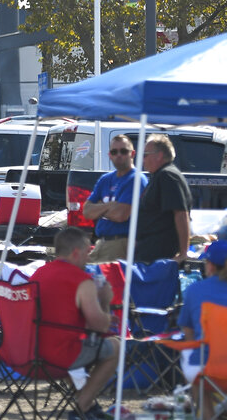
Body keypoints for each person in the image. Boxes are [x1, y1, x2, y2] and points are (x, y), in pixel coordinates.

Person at [29, 226, 120, 420]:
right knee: (116, 347)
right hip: (59, 355)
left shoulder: (39, 274)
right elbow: (101, 326)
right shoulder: (82, 280)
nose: (89, 258)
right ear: (76, 252)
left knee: (75, 343)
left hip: (30, 352)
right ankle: (82, 406)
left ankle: (88, 406)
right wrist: (105, 299)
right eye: (88, 252)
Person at [177, 240, 227, 419]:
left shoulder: (195, 290)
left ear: (211, 265)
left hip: (206, 369)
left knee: (192, 358)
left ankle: (206, 414)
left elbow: (189, 335)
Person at [82, 135, 148, 263]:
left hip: (122, 243)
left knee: (100, 281)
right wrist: (110, 205)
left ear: (132, 154)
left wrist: (99, 208)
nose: (118, 155)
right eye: (114, 152)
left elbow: (120, 215)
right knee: (79, 274)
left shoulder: (136, 179)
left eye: (123, 151)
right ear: (109, 155)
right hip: (101, 242)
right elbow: (86, 211)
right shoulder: (105, 179)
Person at [135, 134, 192, 263]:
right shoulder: (158, 176)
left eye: (145, 155)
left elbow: (181, 214)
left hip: (159, 255)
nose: (142, 160)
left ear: (159, 155)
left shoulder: (168, 176)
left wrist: (183, 253)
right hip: (146, 252)